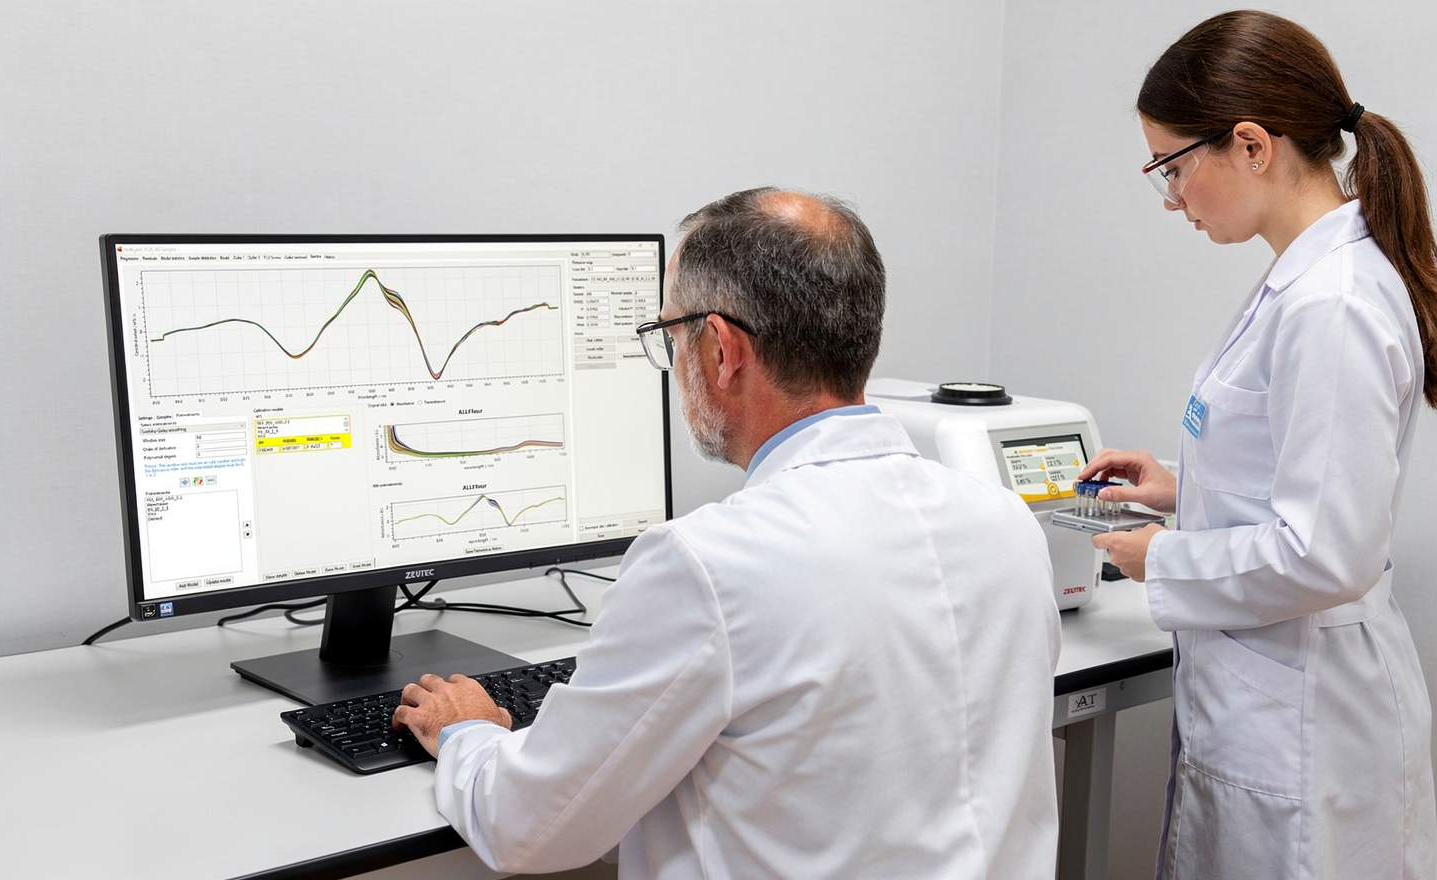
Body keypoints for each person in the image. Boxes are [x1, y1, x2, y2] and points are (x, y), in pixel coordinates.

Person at [392, 187, 1062, 878]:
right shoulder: (1005, 522)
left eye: (669, 337)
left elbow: (527, 829)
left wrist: (467, 730)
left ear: (720, 348)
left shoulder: (709, 565)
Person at [1080, 10, 1437, 879]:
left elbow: (1325, 552)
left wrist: (1161, 557)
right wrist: (1183, 487)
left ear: (1250, 146)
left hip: (1307, 728)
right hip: (1271, 698)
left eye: (1172, 168)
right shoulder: (1305, 279)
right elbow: (1303, 471)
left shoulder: (1332, 304)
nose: (1173, 200)